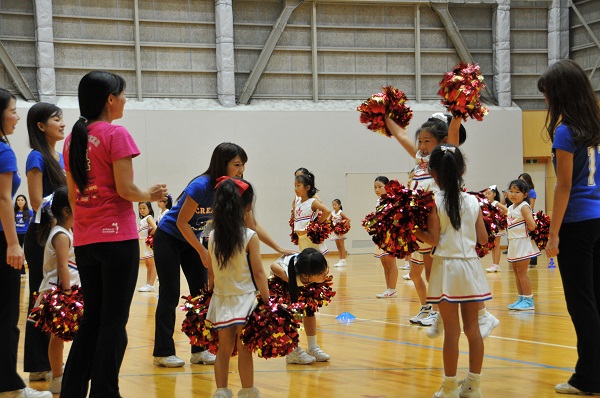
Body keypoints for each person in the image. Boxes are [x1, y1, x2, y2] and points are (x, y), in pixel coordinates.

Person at [61, 70, 168, 398]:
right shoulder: (115, 134)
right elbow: (125, 189)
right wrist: (150, 194)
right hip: (116, 240)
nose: (124, 99)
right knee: (112, 324)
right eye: (122, 94)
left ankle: (73, 390)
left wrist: (82, 229)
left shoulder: (72, 139)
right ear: (109, 99)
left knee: (93, 319)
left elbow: (72, 196)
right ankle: (106, 392)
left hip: (86, 240)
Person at [153, 142, 292, 368]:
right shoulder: (200, 186)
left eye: (243, 165)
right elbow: (181, 222)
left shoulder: (230, 189)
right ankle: (163, 352)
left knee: (202, 294)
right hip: (169, 236)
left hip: (191, 239)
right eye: (237, 164)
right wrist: (202, 251)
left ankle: (199, 350)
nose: (241, 170)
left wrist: (278, 248)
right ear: (222, 163)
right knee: (170, 293)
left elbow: (251, 223)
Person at [387, 113, 499, 337]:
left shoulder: (441, 159)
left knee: (444, 269)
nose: (422, 145)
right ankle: (441, 311)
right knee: (433, 272)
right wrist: (384, 115)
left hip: (444, 219)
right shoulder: (419, 159)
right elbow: (400, 134)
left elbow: (454, 133)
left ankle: (476, 314)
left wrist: (457, 112)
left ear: (441, 142)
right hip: (427, 220)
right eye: (420, 141)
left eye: (428, 141)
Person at [538, 59, 600, 395]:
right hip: (599, 219)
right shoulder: (597, 126)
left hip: (577, 223)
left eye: (548, 93)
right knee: (596, 301)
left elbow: (563, 186)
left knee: (581, 304)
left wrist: (553, 233)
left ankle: (587, 378)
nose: (546, 101)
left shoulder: (566, 130)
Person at [413, 145, 491, 397]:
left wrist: (411, 229)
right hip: (470, 268)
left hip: (446, 268)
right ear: (463, 170)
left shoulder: (433, 202)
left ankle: (448, 387)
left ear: (433, 173)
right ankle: (473, 385)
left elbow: (433, 239)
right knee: (473, 330)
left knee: (452, 332)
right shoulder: (474, 201)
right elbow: (482, 239)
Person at [0, 88, 52, 398]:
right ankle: (9, 386)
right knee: (6, 315)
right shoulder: (4, 151)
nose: (17, 116)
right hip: (2, 241)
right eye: (13, 110)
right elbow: (4, 199)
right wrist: (12, 243)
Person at [206, 177, 269, 398]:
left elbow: (211, 272)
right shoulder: (249, 236)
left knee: (222, 350)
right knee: (245, 348)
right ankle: (248, 391)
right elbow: (259, 273)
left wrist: (210, 291)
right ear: (247, 206)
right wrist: (267, 300)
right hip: (246, 300)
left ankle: (221, 391)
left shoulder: (212, 236)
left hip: (222, 298)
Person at [24, 102, 67, 381]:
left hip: (58, 235)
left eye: (62, 118)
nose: (62, 123)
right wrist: (57, 232)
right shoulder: (36, 157)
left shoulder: (60, 156)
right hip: (42, 236)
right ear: (41, 126)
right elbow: (37, 202)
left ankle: (47, 364)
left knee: (54, 298)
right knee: (40, 298)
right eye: (56, 119)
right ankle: (38, 365)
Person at [34, 186, 79, 394]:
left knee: (59, 337)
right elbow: (62, 266)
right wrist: (68, 294)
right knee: (57, 337)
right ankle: (58, 377)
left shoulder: (65, 231)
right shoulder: (60, 234)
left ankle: (61, 374)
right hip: (59, 292)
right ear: (66, 210)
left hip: (65, 291)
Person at [271, 248, 330, 365]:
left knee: (310, 311)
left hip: (301, 281)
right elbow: (273, 266)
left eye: (324, 269)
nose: (325, 273)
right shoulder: (290, 274)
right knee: (292, 317)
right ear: (306, 275)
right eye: (321, 272)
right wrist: (290, 281)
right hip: (283, 284)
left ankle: (312, 347)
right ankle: (292, 351)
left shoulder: (311, 267)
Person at [506, 179, 540, 311]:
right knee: (516, 272)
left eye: (517, 192)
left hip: (523, 243)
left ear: (525, 194)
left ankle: (528, 299)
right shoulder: (510, 207)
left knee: (522, 272)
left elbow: (532, 226)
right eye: (511, 191)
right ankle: (521, 297)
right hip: (514, 243)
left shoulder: (524, 207)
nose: (513, 194)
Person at [292, 172, 331, 254]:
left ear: (307, 187)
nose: (296, 188)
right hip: (301, 239)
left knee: (318, 264)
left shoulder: (313, 202)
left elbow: (327, 211)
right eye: (295, 186)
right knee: (306, 263)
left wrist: (317, 223)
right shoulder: (298, 202)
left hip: (310, 239)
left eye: (298, 186)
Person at [372, 176, 398, 298]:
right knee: (384, 263)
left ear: (387, 187)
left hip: (390, 235)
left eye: (380, 187)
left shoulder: (392, 200)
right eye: (375, 187)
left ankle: (392, 288)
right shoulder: (379, 201)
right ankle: (388, 288)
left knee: (391, 262)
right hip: (381, 236)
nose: (377, 190)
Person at [483, 185, 508, 273]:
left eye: (489, 194)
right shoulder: (486, 204)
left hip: (497, 227)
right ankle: (494, 264)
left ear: (494, 194)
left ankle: (496, 265)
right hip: (491, 227)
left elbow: (505, 209)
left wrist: (500, 215)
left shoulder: (495, 203)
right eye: (485, 194)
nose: (486, 195)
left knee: (496, 245)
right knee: (493, 246)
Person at [137, 201, 158, 292]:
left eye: (144, 208)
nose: (142, 210)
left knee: (152, 264)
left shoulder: (149, 217)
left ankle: (151, 285)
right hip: (143, 244)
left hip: (148, 244)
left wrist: (150, 235)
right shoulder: (142, 220)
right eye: (140, 208)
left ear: (149, 209)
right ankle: (147, 284)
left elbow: (156, 228)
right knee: (147, 264)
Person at [519, 172, 538, 267]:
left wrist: (524, 212)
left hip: (529, 215)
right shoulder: (521, 192)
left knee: (532, 239)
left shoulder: (531, 192)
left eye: (522, 180)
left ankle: (533, 260)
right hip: (521, 216)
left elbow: (531, 205)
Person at [14, 194, 32, 276]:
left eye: (22, 200)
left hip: (26, 234)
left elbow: (33, 223)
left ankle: (31, 269)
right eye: (18, 200)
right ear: (16, 202)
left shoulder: (29, 212)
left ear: (25, 201)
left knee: (28, 252)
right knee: (18, 253)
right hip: (17, 234)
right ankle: (21, 271)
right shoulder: (14, 212)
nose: (20, 201)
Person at [330, 198, 350, 267]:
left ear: (339, 205)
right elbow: (329, 221)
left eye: (335, 205)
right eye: (333, 205)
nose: (334, 206)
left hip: (340, 232)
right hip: (335, 232)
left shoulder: (340, 212)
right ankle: (340, 260)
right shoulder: (332, 213)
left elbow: (348, 219)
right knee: (338, 246)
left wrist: (343, 226)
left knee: (341, 246)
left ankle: (343, 260)